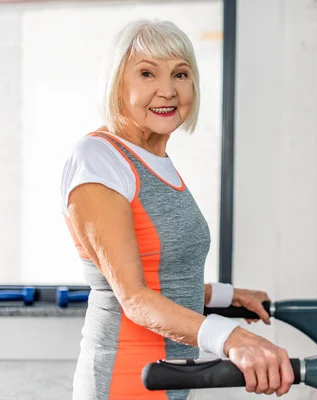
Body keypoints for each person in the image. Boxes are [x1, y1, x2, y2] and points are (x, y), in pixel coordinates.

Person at [60, 19, 294, 399]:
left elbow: (157, 273)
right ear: (118, 83)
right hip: (125, 381)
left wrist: (225, 295)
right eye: (147, 73)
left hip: (171, 378)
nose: (167, 91)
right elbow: (133, 296)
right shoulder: (99, 159)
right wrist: (233, 339)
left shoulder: (154, 158)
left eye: (180, 74)